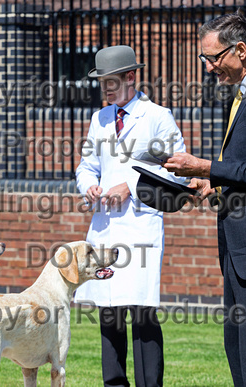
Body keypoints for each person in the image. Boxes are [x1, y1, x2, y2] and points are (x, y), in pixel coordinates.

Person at [163, 13, 246, 386]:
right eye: (204, 59)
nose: (209, 68)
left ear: (241, 50)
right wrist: (214, 185)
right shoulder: (245, 92)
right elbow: (245, 166)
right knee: (237, 349)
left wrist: (207, 167)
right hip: (239, 246)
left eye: (214, 58)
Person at [74, 45, 186, 387]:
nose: (106, 88)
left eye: (111, 81)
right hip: (105, 227)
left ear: (131, 77)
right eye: (102, 82)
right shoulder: (100, 118)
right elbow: (86, 166)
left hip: (140, 226)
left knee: (142, 313)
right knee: (109, 313)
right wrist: (89, 185)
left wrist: (132, 186)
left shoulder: (157, 116)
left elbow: (177, 172)